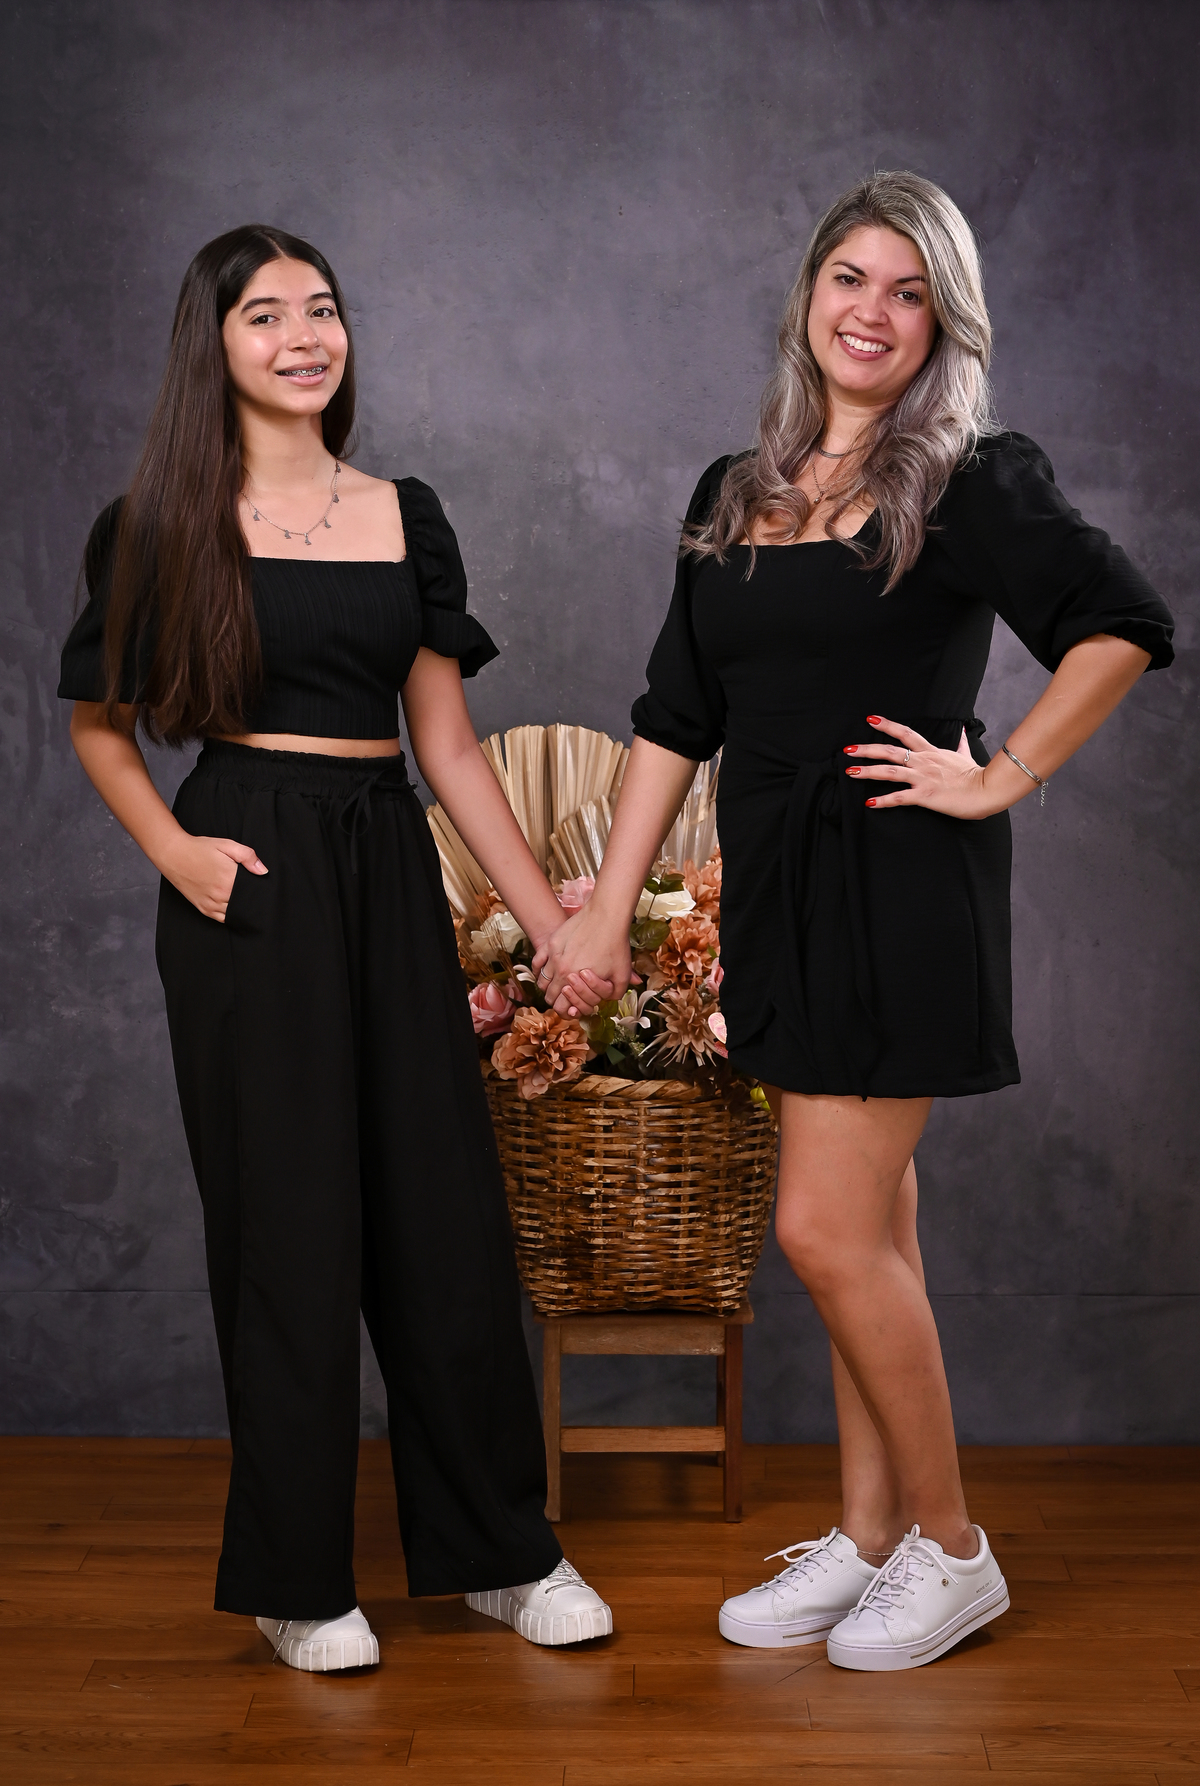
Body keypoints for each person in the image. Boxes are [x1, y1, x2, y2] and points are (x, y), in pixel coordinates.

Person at [536, 172, 1174, 1673]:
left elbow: (1124, 623)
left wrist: (1001, 774)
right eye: (852, 278)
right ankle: (872, 1536)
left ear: (945, 324)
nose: (873, 313)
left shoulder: (970, 477)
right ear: (809, 293)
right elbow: (673, 717)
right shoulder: (732, 488)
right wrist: (609, 908)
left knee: (823, 1230)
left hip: (900, 890)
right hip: (778, 891)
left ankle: (954, 1549)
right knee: (873, 1230)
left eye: (910, 292)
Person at [59, 224, 614, 1672]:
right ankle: (298, 1579)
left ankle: (501, 1552)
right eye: (265, 315)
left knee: (443, 1214)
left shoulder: (405, 515)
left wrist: (554, 919)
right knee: (290, 1226)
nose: (303, 336)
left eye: (321, 309)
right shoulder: (158, 523)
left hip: (385, 857)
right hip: (246, 867)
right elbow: (100, 726)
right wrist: (177, 852)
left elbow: (447, 746)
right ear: (213, 344)